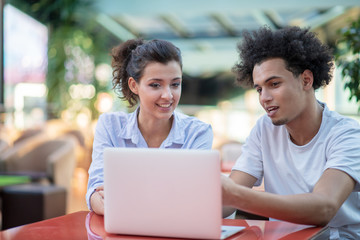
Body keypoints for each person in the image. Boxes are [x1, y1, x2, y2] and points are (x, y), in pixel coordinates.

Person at [222, 26, 360, 239]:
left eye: (274, 84)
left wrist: (236, 195)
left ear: (306, 80)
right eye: (259, 89)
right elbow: (228, 196)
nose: (264, 98)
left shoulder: (347, 135)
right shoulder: (264, 129)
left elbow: (324, 207)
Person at [86, 39, 213, 215]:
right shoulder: (110, 126)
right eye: (155, 85)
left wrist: (126, 198)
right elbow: (96, 193)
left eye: (175, 84)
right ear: (133, 85)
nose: (168, 95)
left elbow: (196, 198)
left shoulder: (198, 132)